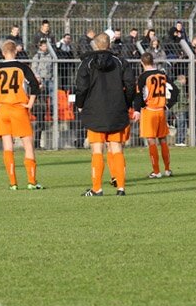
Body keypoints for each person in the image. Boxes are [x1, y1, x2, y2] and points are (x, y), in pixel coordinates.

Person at [75, 33, 135, 196]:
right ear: (110, 45)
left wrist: (80, 104)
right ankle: (121, 188)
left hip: (95, 111)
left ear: (95, 45)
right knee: (116, 148)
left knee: (97, 149)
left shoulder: (87, 63)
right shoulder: (120, 62)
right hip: (116, 110)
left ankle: (97, 188)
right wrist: (126, 103)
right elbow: (130, 85)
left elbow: (81, 87)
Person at [0, 40, 43, 190]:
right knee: (28, 145)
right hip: (19, 108)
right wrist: (30, 103)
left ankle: (13, 183)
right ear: (16, 52)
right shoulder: (22, 67)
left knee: (7, 146)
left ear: (3, 53)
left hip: (3, 110)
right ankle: (32, 182)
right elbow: (35, 85)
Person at [133, 52, 179, 178]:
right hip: (161, 111)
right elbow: (175, 90)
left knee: (151, 140)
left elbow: (139, 95)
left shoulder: (143, 77)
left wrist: (137, 110)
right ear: (153, 61)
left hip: (149, 110)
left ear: (142, 63)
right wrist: (168, 105)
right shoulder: (162, 74)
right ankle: (167, 169)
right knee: (163, 139)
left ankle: (156, 171)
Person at [170, 74, 189, 146]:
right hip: (180, 108)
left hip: (177, 108)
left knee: (181, 124)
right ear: (182, 79)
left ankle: (180, 140)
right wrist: (188, 101)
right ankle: (180, 141)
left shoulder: (175, 85)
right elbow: (181, 98)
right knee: (182, 124)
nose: (186, 81)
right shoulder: (179, 86)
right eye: (185, 79)